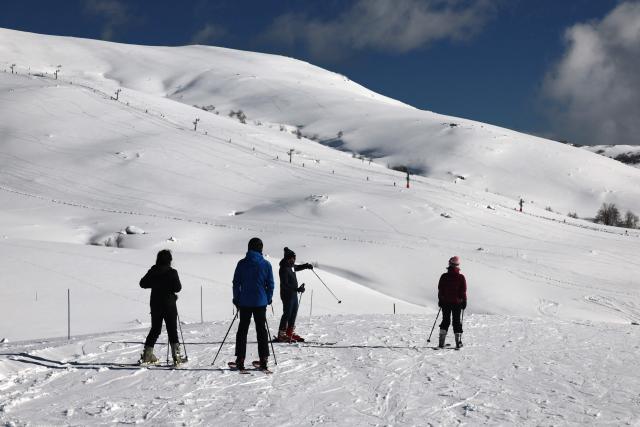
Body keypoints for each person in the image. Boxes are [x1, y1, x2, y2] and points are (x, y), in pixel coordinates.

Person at [232, 237, 274, 371]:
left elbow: (236, 283)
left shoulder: (242, 263)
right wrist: (268, 298)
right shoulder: (266, 264)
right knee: (261, 330)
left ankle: (240, 359)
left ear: (249, 248)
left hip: (244, 302)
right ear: (261, 248)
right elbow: (271, 284)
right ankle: (264, 359)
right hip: (260, 302)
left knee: (242, 330)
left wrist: (237, 299)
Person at [139, 249, 183, 365]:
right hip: (169, 305)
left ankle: (147, 356)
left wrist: (155, 283)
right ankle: (176, 357)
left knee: (155, 329)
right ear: (169, 260)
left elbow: (142, 283)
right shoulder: (172, 272)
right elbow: (178, 288)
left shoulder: (153, 270)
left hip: (155, 304)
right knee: (172, 330)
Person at [277, 247, 313, 342]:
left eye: (294, 258)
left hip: (293, 294)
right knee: (287, 314)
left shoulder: (291, 266)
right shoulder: (284, 268)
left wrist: (306, 266)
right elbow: (285, 284)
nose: (294, 260)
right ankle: (281, 334)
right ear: (287, 258)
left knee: (293, 313)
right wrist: (297, 289)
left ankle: (289, 332)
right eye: (292, 258)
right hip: (287, 294)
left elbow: (297, 267)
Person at [437, 256, 467, 349]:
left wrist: (440, 300)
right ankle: (458, 343)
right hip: (457, 303)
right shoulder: (461, 277)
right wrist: (464, 301)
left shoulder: (444, 276)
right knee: (456, 321)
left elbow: (440, 290)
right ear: (458, 265)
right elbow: (463, 291)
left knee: (445, 321)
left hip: (445, 302)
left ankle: (441, 343)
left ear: (449, 264)